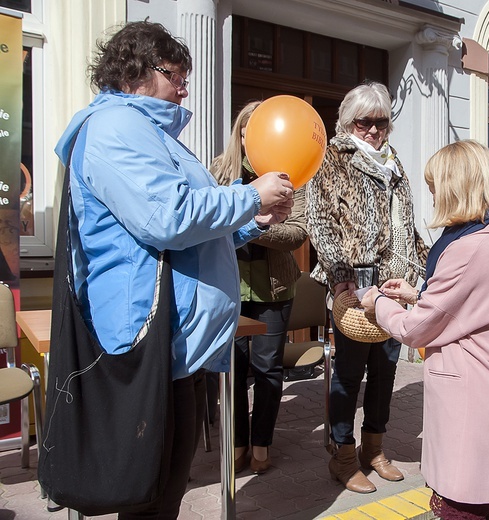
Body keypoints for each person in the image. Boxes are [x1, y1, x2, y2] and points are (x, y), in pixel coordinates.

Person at [53, 21, 293, 519]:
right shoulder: (115, 128)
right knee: (149, 493)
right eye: (174, 74)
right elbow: (166, 217)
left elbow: (187, 228)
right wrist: (249, 195)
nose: (185, 87)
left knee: (165, 485)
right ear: (134, 71)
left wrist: (251, 221)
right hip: (145, 337)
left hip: (171, 342)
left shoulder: (147, 131)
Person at [361, 140, 489, 519]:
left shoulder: (466, 249)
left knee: (460, 507)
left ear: (455, 187)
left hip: (469, 399)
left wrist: (377, 302)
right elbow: (476, 306)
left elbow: (416, 329)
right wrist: (417, 293)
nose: (432, 195)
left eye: (435, 187)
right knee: (472, 502)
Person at [306, 81, 429, 493]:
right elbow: (319, 221)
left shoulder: (393, 162)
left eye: (382, 123)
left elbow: (405, 225)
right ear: (348, 122)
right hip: (354, 283)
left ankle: (373, 447)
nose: (375, 131)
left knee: (385, 370)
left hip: (395, 282)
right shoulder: (331, 159)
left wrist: (425, 267)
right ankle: (342, 453)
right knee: (348, 372)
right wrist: (340, 274)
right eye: (365, 123)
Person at [212, 101, 308, 474]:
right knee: (232, 367)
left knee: (267, 369)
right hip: (228, 287)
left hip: (274, 290)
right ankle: (236, 441)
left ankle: (261, 442)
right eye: (248, 132)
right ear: (240, 134)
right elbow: (207, 224)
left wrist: (256, 223)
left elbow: (298, 233)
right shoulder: (219, 171)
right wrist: (251, 214)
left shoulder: (290, 176)